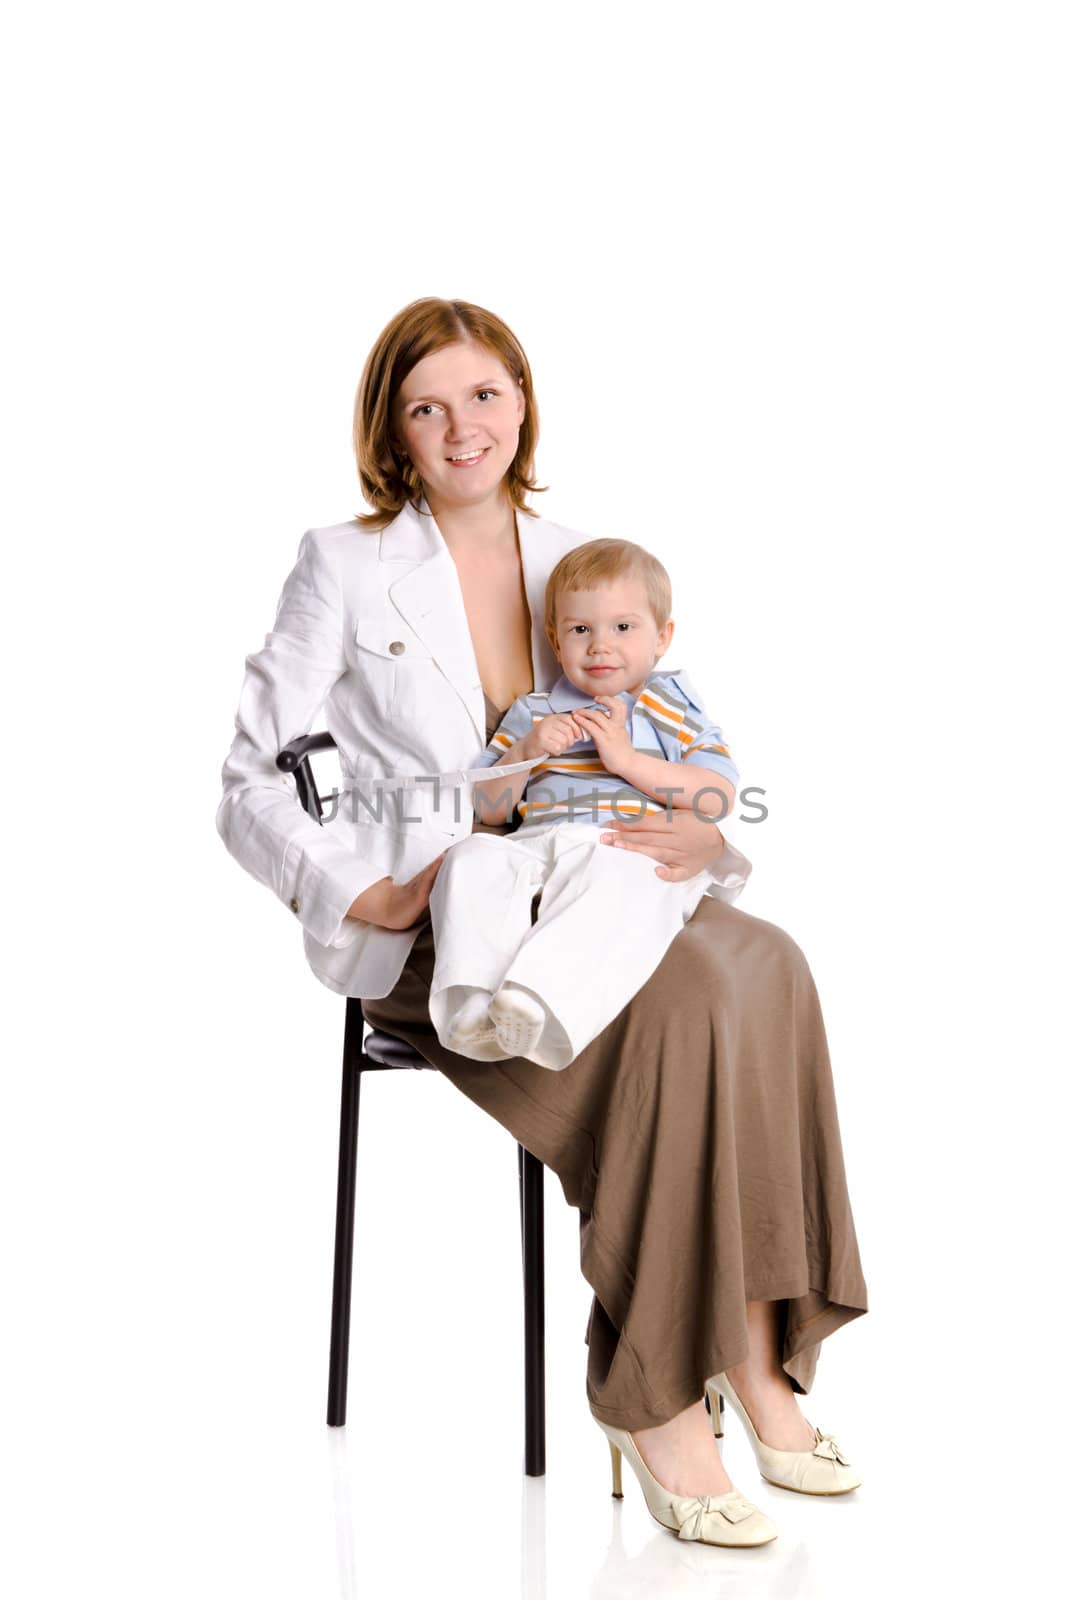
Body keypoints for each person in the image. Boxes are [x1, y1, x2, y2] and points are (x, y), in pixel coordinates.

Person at [216, 296, 869, 1549]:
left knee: (766, 963)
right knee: (679, 1007)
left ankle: (748, 1339)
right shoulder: (341, 563)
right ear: (392, 433)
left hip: (600, 886)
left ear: (521, 401)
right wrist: (367, 889)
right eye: (427, 406)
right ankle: (656, 1394)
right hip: (450, 935)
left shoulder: (580, 553)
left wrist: (703, 835)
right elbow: (246, 779)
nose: (462, 426)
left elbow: (665, 726)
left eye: (483, 394)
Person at [426, 537, 747, 1070]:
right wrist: (528, 752)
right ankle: (471, 1005)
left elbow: (716, 795)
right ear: (556, 639)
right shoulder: (535, 710)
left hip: (626, 847)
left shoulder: (671, 709)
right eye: (581, 630)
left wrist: (627, 762)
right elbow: (489, 809)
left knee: (614, 883)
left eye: (623, 627)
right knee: (471, 860)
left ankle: (534, 1001)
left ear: (662, 637)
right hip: (537, 841)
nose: (600, 646)